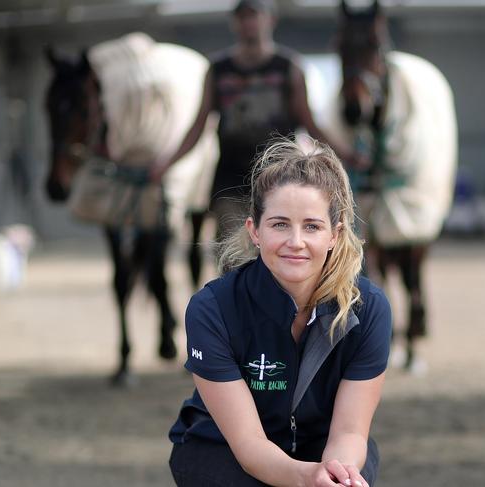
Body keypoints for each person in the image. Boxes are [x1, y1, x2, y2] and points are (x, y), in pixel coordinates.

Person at [167, 137, 392, 487]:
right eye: (280, 224)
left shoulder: (369, 308)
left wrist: (334, 474)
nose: (296, 241)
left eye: (312, 226)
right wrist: (307, 478)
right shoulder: (212, 309)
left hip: (323, 446)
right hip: (225, 449)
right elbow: (248, 444)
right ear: (254, 230)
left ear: (335, 235)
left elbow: (349, 431)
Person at [151, 0, 359, 246]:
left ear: (270, 20)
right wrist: (166, 163)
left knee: (279, 251)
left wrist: (347, 156)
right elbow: (198, 127)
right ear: (235, 24)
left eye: (255, 16)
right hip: (231, 182)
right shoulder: (219, 71)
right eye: (243, 18)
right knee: (234, 256)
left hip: (281, 180)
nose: (249, 23)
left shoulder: (288, 68)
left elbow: (310, 123)